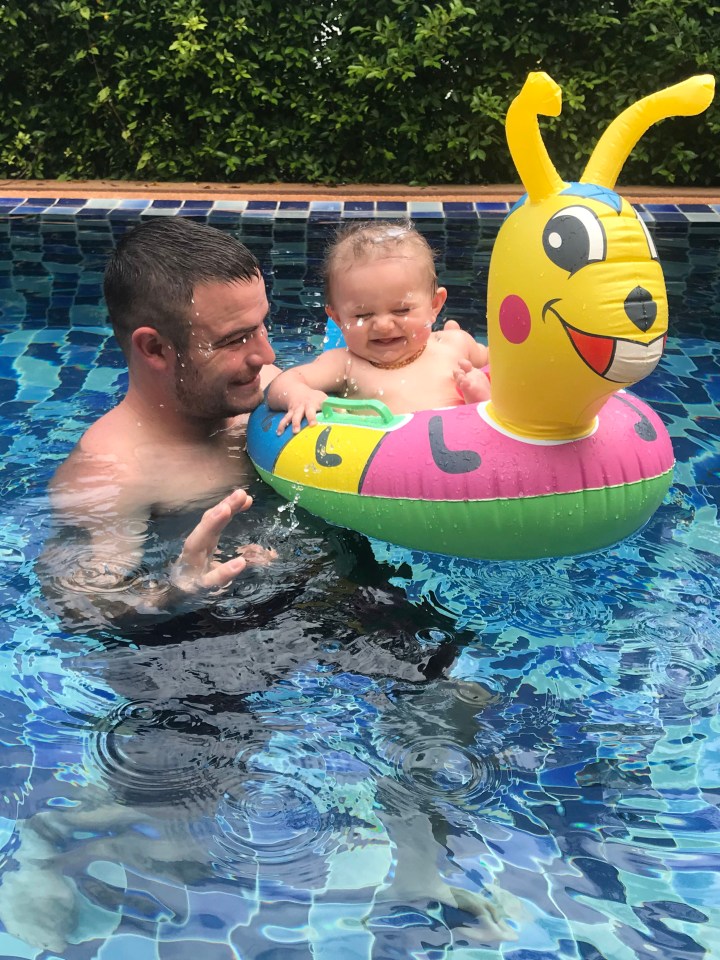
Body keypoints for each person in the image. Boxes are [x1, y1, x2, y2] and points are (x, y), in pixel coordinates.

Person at [47, 216, 280, 620]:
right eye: (234, 339)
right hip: (208, 646)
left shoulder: (271, 392)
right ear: (155, 348)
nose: (267, 355)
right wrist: (176, 593)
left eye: (262, 325)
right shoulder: (115, 476)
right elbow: (80, 605)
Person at [267, 220, 490, 435]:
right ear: (337, 318)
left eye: (402, 310)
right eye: (363, 314)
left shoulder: (455, 346)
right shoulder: (345, 365)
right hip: (385, 464)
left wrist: (483, 393)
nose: (383, 326)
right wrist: (300, 395)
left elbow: (507, 367)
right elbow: (282, 383)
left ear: (434, 305)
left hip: (465, 448)